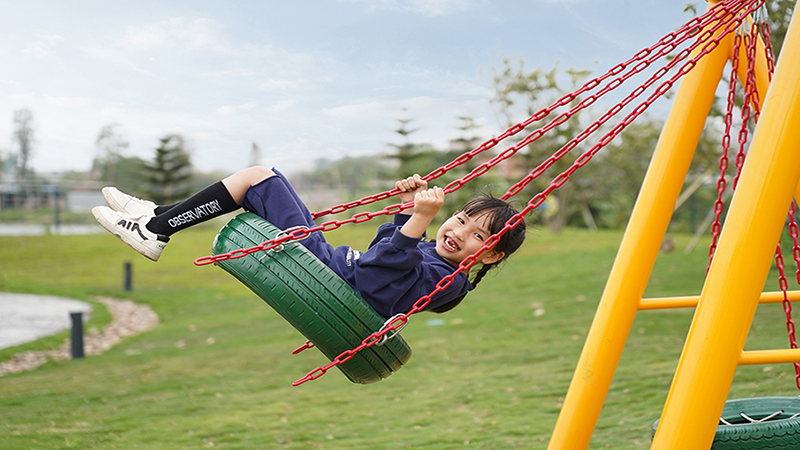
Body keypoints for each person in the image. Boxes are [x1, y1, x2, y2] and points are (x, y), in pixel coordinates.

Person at [92, 167, 526, 317]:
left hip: (323, 272)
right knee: (258, 180)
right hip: (325, 265)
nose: (457, 232)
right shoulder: (434, 256)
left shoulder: (449, 282)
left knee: (258, 178)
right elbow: (385, 253)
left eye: (477, 235)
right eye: (461, 218)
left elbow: (376, 278)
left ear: (489, 253)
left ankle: (157, 228)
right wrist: (407, 210)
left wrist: (418, 220)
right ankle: (157, 220)